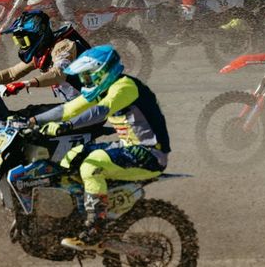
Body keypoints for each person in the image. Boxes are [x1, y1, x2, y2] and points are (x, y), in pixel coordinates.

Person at [30, 45, 170, 248]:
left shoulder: (125, 86)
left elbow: (99, 112)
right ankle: (75, 216)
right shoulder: (105, 88)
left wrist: (65, 127)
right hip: (128, 147)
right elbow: (68, 108)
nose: (84, 81)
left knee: (90, 166)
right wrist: (32, 121)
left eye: (87, 76)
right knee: (71, 157)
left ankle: (95, 228)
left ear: (102, 72)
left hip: (149, 154)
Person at [0, 10, 93, 102]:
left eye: (24, 41)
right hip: (77, 106)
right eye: (18, 41)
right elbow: (12, 73)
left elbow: (58, 74)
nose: (21, 45)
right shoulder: (42, 52)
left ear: (38, 35)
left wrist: (25, 84)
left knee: (27, 120)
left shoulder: (63, 46)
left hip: (93, 105)